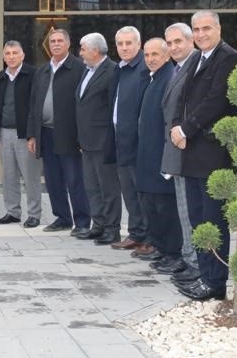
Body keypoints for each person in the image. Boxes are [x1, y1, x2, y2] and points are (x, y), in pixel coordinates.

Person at [170, 10, 237, 301]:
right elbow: (183, 98)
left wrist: (186, 129)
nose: (201, 34)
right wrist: (176, 126)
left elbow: (216, 101)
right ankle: (203, 275)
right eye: (197, 29)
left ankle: (215, 282)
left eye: (206, 28)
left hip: (213, 154)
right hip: (191, 152)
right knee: (198, 218)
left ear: (219, 29)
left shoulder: (229, 58)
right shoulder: (197, 58)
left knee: (213, 219)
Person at [26, 29, 90, 235]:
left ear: (68, 44)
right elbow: (33, 104)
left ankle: (82, 222)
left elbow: (85, 105)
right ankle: (62, 218)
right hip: (45, 134)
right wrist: (32, 134)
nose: (55, 44)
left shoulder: (79, 68)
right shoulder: (42, 71)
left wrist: (82, 136)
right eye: (52, 41)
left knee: (75, 180)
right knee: (53, 180)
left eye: (60, 40)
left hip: (69, 134)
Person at [134, 38, 182, 268]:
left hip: (161, 158)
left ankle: (172, 254)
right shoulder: (153, 78)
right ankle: (161, 248)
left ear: (166, 55)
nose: (150, 59)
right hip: (147, 157)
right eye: (147, 55)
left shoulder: (169, 78)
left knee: (166, 209)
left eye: (155, 54)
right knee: (152, 207)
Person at [160, 23, 201, 282]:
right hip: (176, 149)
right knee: (183, 211)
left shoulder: (196, 66)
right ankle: (188, 258)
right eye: (170, 43)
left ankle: (195, 263)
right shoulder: (178, 68)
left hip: (189, 151)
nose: (173, 47)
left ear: (190, 41)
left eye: (178, 42)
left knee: (190, 212)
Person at [74, 32, 122, 244]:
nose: (80, 53)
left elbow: (113, 108)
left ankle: (112, 229)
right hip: (86, 141)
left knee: (108, 188)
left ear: (95, 50)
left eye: (83, 48)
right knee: (92, 186)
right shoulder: (87, 70)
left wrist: (110, 139)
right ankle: (99, 224)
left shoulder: (112, 71)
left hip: (103, 141)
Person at [108, 26, 151, 252]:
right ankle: (136, 233)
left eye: (129, 43)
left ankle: (150, 238)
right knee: (129, 192)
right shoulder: (121, 68)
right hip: (121, 139)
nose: (124, 48)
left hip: (138, 142)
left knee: (143, 193)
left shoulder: (145, 68)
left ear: (139, 44)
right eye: (120, 44)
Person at [0, 41, 43, 228]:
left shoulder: (33, 75)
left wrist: (33, 134)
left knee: (31, 177)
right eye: (8, 53)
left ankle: (34, 214)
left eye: (15, 53)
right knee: (9, 176)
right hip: (4, 133)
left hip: (25, 135)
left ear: (22, 55)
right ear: (4, 57)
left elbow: (36, 106)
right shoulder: (0, 77)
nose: (11, 56)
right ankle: (13, 212)